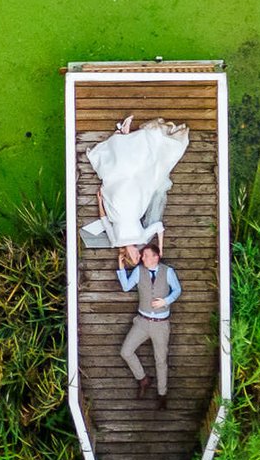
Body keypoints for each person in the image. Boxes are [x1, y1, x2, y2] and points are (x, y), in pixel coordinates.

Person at [80, 114, 189, 254]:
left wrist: (99, 201)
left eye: (135, 258)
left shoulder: (115, 242)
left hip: (117, 205)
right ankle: (125, 134)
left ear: (127, 257)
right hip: (135, 202)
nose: (138, 256)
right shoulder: (142, 239)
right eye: (139, 258)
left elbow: (105, 222)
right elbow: (159, 227)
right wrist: (160, 250)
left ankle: (120, 135)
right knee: (136, 170)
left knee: (118, 172)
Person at [117, 241, 181, 408]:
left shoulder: (168, 272)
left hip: (161, 325)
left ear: (156, 257)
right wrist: (121, 266)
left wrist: (166, 301)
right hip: (142, 322)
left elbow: (177, 290)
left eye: (146, 255)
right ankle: (143, 379)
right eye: (143, 255)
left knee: (160, 360)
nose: (142, 258)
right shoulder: (139, 271)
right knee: (126, 351)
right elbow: (126, 287)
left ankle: (162, 394)